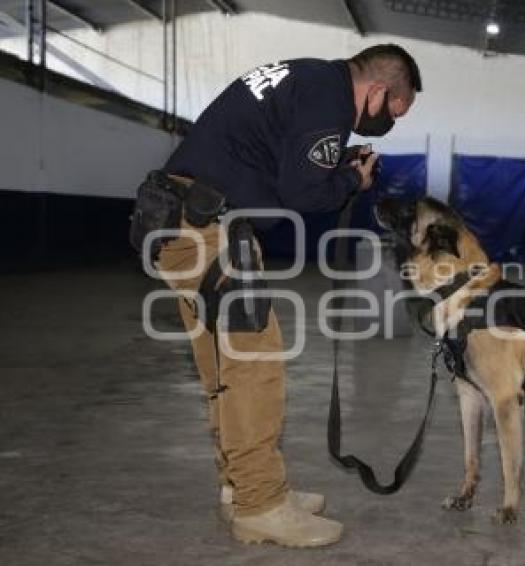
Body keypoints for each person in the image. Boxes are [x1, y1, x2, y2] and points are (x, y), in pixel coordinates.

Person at [138, 44, 421, 548]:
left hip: (180, 220)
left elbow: (285, 164)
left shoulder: (307, 80)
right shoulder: (330, 99)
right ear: (377, 90)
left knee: (223, 369)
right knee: (255, 364)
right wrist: (351, 179)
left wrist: (338, 167)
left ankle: (241, 486)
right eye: (393, 112)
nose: (386, 125)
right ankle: (261, 506)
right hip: (207, 229)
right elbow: (303, 193)